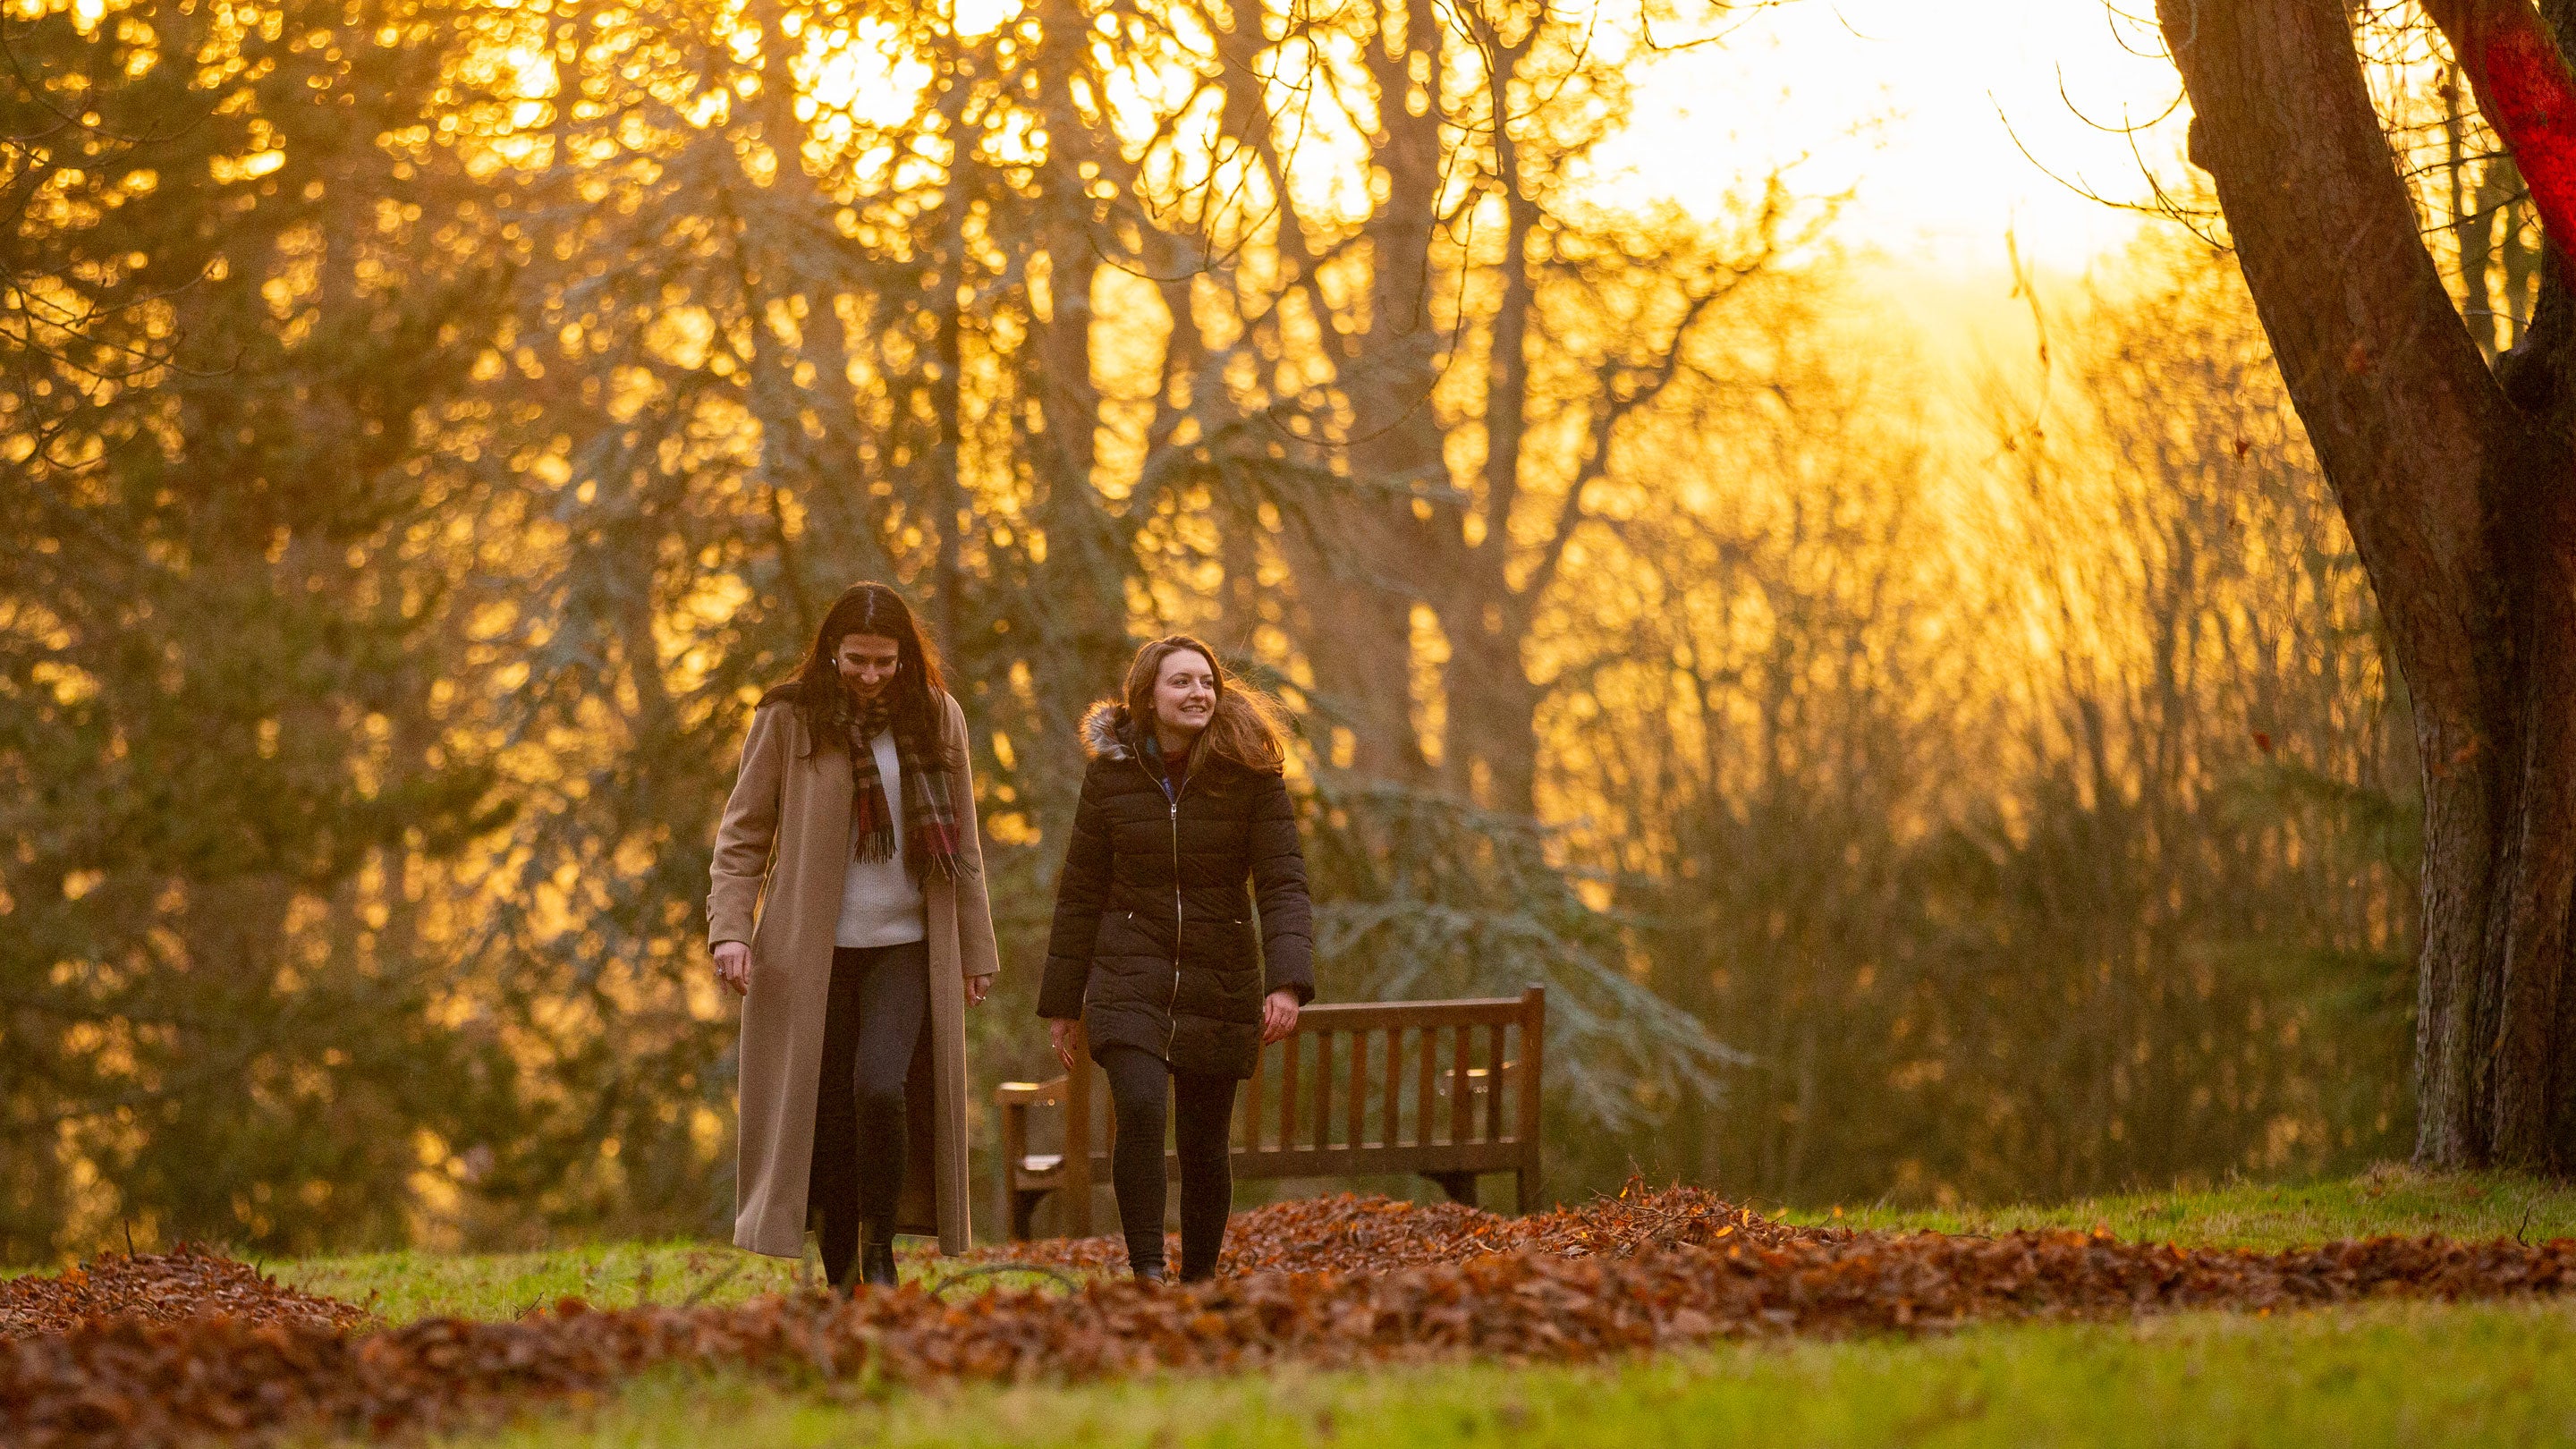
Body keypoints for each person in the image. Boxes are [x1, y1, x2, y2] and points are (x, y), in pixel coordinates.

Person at [708, 582, 999, 1290]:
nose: (871, 675)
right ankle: (840, 1262)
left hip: (905, 946)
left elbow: (961, 843)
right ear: (831, 653)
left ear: (906, 659)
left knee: (879, 1089)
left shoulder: (937, 718)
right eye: (857, 660)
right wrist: (730, 932)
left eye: (885, 662)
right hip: (811, 951)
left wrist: (974, 948)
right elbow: (744, 834)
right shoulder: (788, 718)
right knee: (828, 1108)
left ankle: (879, 1244)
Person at [1036, 635, 1314, 1283]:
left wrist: (1288, 983)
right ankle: (1148, 1272)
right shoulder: (1109, 776)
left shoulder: (1249, 775)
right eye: (1181, 683)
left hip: (1220, 974)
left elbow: (1282, 883)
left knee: (1203, 1138)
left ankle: (1200, 1278)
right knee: (1139, 1107)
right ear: (1147, 697)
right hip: (1128, 971)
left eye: (1207, 683)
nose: (1198, 694)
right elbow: (1080, 891)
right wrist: (1061, 1003)